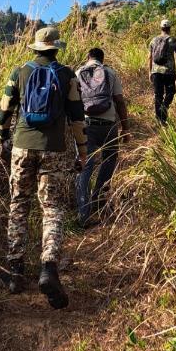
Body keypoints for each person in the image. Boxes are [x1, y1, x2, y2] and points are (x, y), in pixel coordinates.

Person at [0, 26, 87, 309]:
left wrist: (2, 137)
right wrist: (82, 150)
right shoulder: (67, 74)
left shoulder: (19, 72)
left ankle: (15, 271)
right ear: (56, 48)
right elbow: (76, 116)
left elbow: (5, 110)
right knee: (53, 207)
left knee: (19, 204)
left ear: (35, 48)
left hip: (23, 145)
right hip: (55, 148)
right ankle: (48, 267)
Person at [75, 47, 129, 224]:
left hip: (86, 126)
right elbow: (119, 101)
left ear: (87, 57)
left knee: (85, 167)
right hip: (108, 125)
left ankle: (83, 214)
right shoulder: (109, 72)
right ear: (102, 59)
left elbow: (73, 102)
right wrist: (125, 128)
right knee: (109, 161)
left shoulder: (78, 73)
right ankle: (100, 202)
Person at [148, 18, 176, 125]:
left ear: (161, 28)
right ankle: (164, 107)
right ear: (169, 28)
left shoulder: (153, 40)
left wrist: (150, 72)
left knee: (158, 95)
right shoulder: (174, 40)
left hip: (156, 72)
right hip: (169, 72)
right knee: (171, 92)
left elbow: (149, 57)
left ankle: (160, 120)